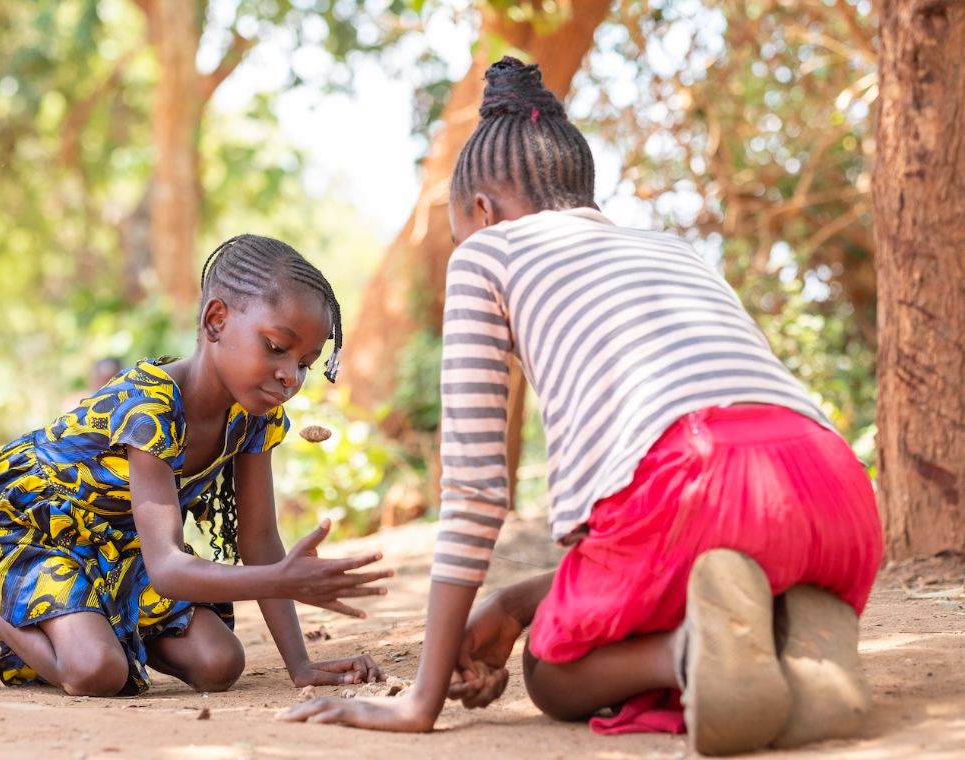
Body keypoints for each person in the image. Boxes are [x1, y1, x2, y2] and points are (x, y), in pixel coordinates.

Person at [281, 57, 882, 756]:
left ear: (481, 211)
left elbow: (477, 490)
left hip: (693, 486)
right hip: (833, 495)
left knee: (554, 668)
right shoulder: (672, 247)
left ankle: (690, 655)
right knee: (708, 574)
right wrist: (508, 605)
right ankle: (794, 639)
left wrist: (422, 694)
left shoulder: (488, 254)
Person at [0, 234, 391, 697]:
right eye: (276, 347)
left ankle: (92, 620)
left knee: (220, 663)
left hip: (117, 545)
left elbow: (259, 541)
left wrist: (301, 666)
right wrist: (282, 579)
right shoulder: (149, 409)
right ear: (216, 320)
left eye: (306, 362)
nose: (290, 375)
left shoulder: (253, 418)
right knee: (96, 671)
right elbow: (167, 568)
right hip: (32, 528)